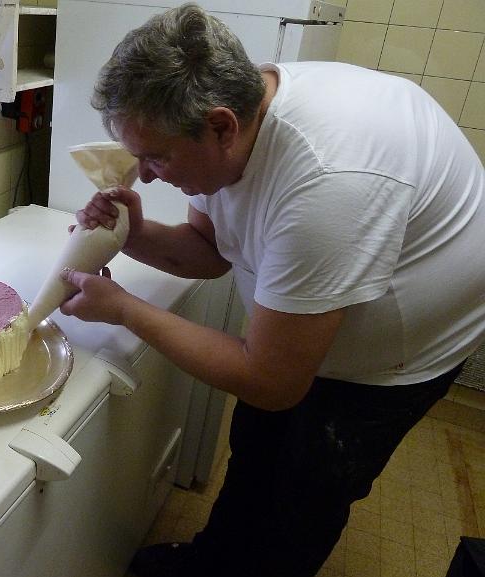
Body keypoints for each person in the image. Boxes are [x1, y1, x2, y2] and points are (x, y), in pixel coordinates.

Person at [57, 3, 485, 577]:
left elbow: (272, 381)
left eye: (156, 156)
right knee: (257, 448)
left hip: (398, 354)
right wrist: (132, 233)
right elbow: (210, 251)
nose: (147, 175)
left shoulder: (328, 182)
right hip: (317, 309)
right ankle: (215, 562)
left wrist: (125, 310)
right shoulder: (235, 112)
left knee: (306, 491)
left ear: (221, 128)